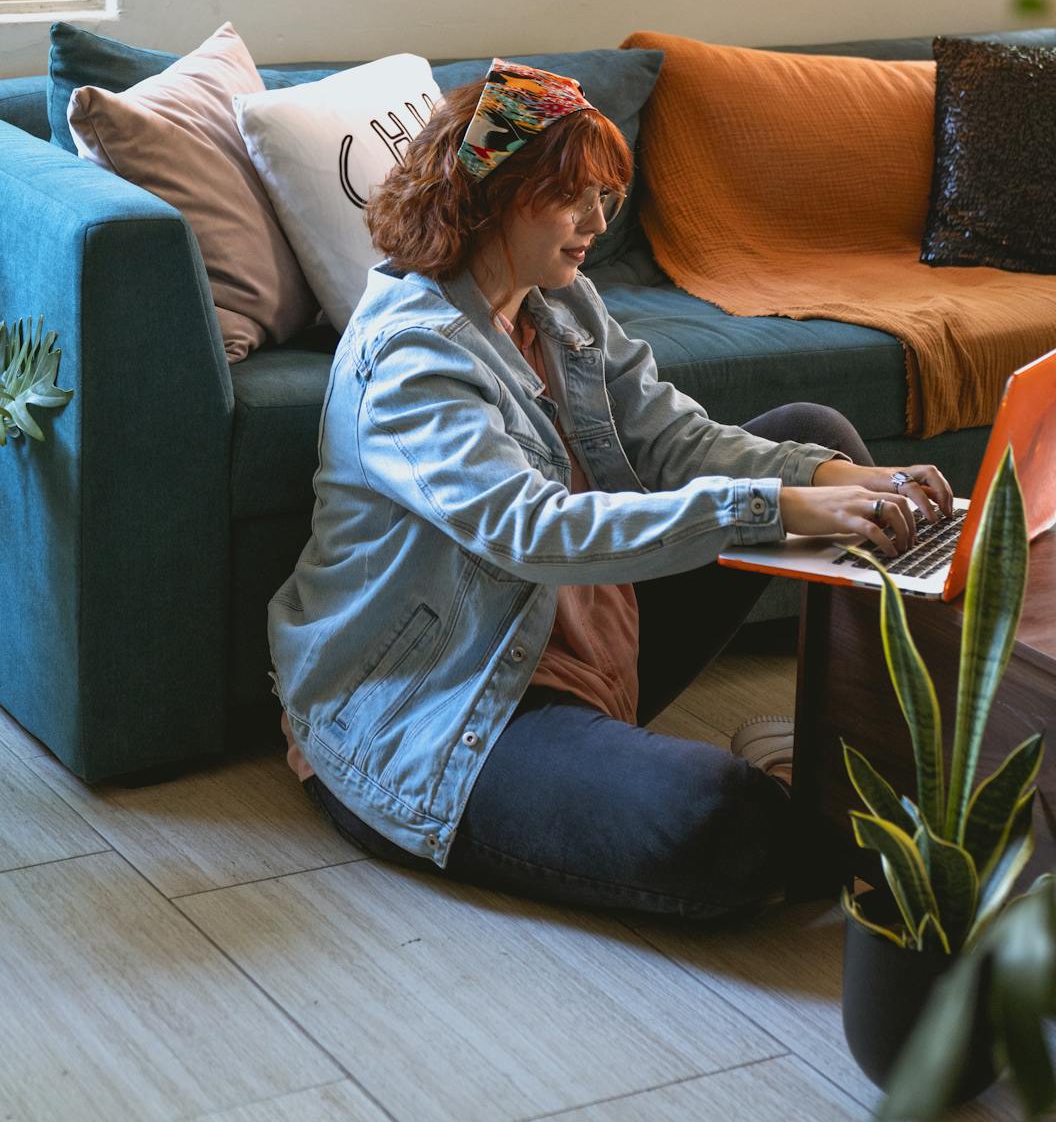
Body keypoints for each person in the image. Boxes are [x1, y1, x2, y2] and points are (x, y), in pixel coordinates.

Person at [271, 59, 952, 922]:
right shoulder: (412, 360)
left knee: (817, 437)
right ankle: (829, 807)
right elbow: (532, 532)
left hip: (583, 635)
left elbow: (673, 439)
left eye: (605, 197)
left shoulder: (563, 304)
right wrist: (776, 510)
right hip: (454, 702)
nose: (599, 223)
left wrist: (840, 481)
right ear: (497, 196)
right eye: (576, 199)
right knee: (721, 821)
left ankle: (862, 758)